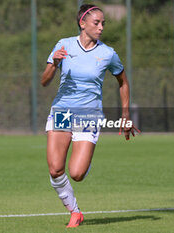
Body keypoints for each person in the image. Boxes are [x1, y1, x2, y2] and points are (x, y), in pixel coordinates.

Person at [41, 4, 139, 228]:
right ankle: (75, 212)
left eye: (103, 23)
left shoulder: (107, 53)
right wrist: (54, 63)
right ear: (82, 23)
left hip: (88, 115)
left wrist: (125, 114)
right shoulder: (63, 45)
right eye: (97, 23)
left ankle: (84, 159)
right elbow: (44, 81)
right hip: (62, 111)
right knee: (56, 169)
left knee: (76, 173)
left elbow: (123, 82)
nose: (101, 27)